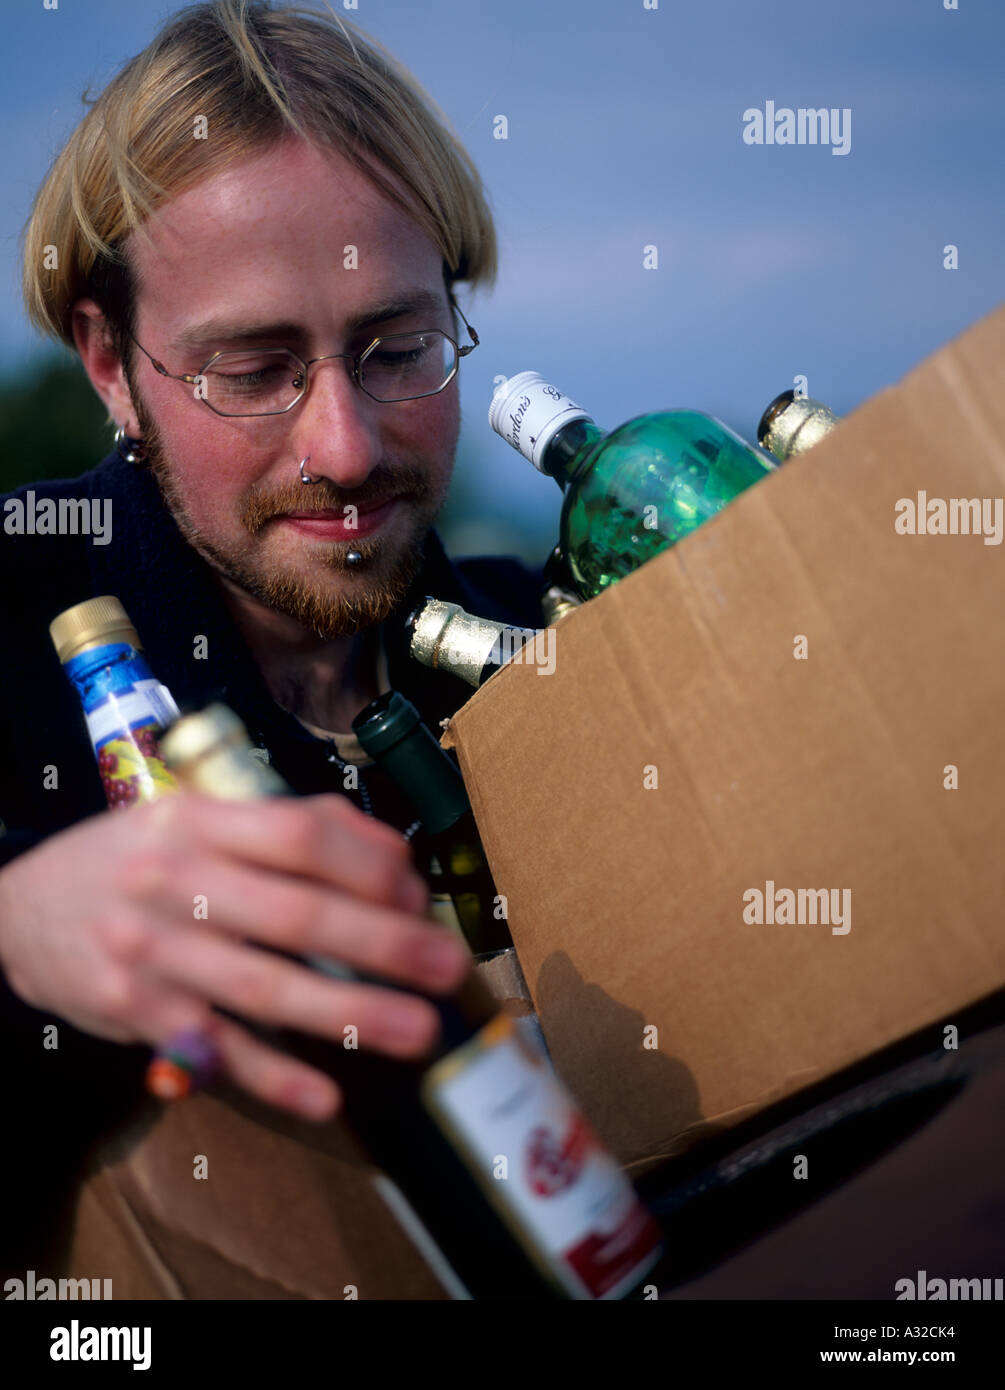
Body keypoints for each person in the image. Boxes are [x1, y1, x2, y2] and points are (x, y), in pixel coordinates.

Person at [0, 0, 543, 1296]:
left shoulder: (555, 643)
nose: (347, 448)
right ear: (111, 365)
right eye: (253, 366)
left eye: (396, 347)